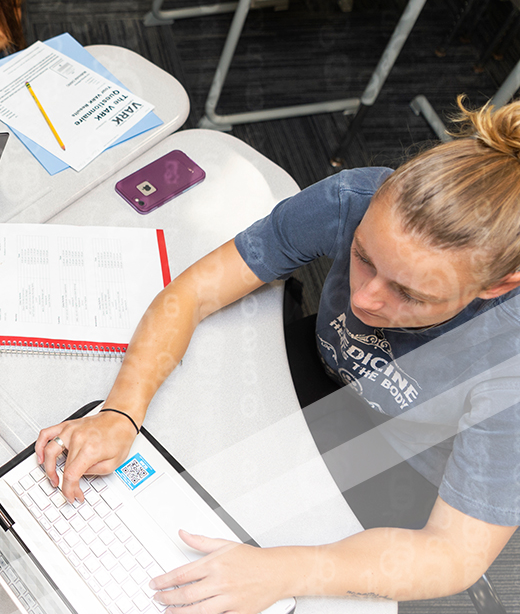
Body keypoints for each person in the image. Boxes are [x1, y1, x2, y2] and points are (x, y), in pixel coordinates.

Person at [35, 97, 520, 609]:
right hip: (315, 374)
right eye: (361, 257)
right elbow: (195, 291)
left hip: (407, 463)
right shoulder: (357, 198)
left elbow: (454, 556)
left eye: (410, 294)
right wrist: (120, 410)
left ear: (497, 287)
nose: (363, 299)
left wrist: (287, 571)